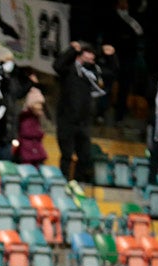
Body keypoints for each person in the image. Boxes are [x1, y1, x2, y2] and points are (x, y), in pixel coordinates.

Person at [53, 41, 105, 184]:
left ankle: (78, 183)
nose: (90, 61)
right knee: (67, 155)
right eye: (87, 58)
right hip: (67, 120)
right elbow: (57, 66)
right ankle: (63, 182)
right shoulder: (69, 70)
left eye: (92, 59)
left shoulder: (91, 75)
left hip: (83, 122)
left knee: (85, 156)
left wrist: (110, 56)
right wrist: (71, 50)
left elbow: (111, 73)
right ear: (80, 56)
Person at [16, 85, 48, 166]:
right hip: (27, 150)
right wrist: (40, 134)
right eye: (38, 104)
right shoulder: (25, 117)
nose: (40, 107)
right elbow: (25, 132)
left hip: (35, 149)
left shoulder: (37, 118)